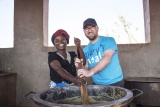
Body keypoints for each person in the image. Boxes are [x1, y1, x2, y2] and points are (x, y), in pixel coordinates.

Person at [76, 18, 124, 87]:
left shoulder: (109, 40)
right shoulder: (85, 50)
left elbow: (106, 58)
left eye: (92, 27)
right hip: (97, 84)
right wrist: (80, 67)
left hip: (115, 82)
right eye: (86, 28)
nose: (89, 30)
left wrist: (90, 72)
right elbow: (86, 67)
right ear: (84, 31)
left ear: (97, 28)